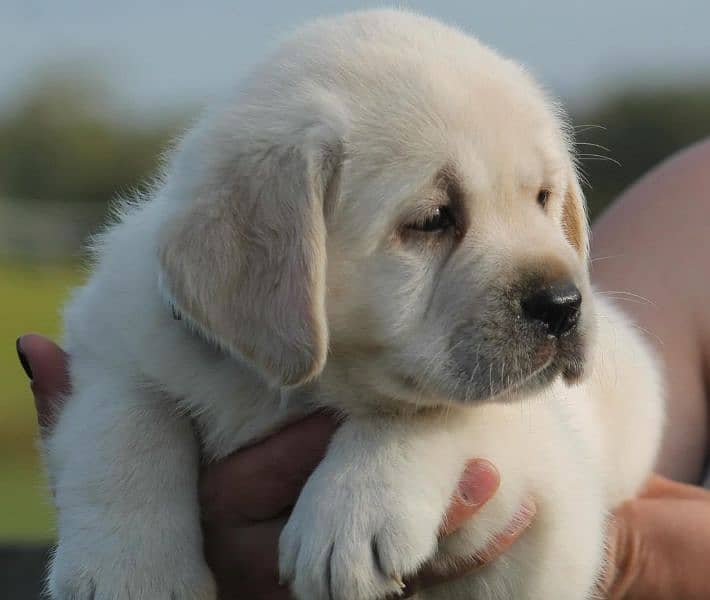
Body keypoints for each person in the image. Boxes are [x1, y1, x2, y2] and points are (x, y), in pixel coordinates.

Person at [16, 138, 710, 599]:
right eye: (434, 217)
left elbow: (578, 479)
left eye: (542, 201)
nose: (562, 283)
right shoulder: (690, 203)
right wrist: (124, 503)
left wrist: (629, 557)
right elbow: (114, 364)